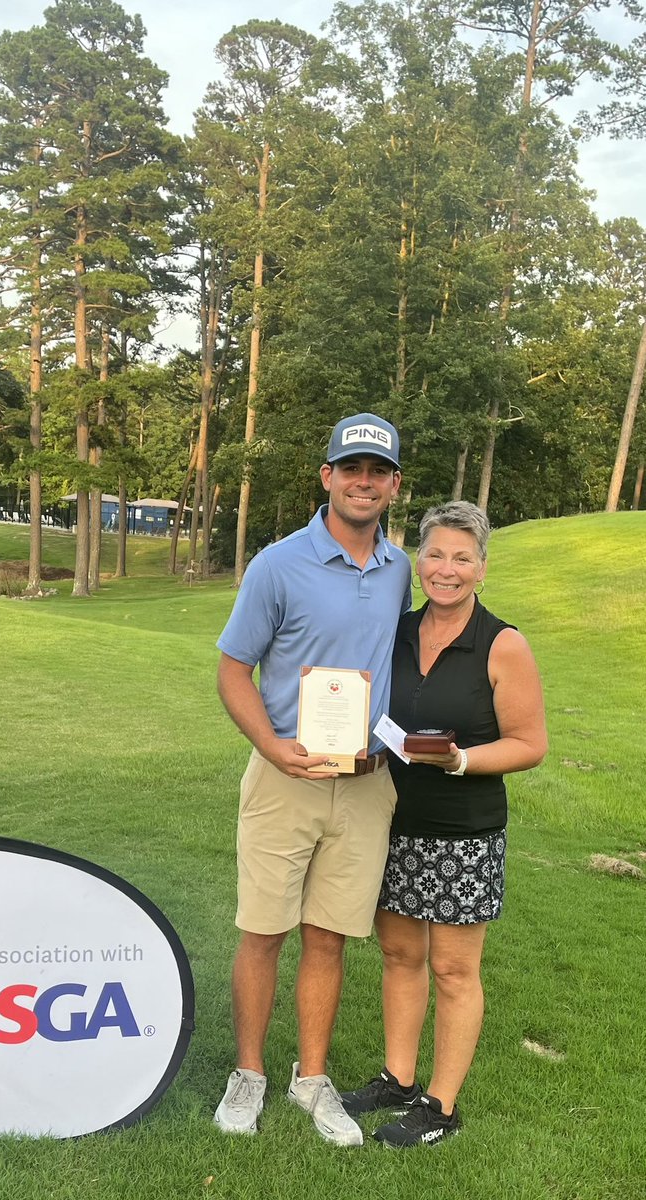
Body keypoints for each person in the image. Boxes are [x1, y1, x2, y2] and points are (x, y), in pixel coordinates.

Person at [213, 413, 411, 1144]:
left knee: (328, 937)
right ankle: (248, 1074)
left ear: (393, 484)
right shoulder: (277, 564)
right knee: (263, 931)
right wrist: (270, 746)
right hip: (284, 778)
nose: (364, 482)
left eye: (378, 471)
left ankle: (311, 1080)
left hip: (366, 782)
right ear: (327, 476)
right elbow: (233, 669)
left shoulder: (399, 569)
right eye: (351, 468)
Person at [340, 501, 548, 1148]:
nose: (446, 569)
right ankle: (398, 1080)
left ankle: (441, 1106)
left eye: (462, 557)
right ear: (417, 560)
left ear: (481, 567)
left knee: (454, 972)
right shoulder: (397, 632)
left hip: (464, 834)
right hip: (393, 821)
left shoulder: (502, 644)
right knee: (400, 956)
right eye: (434, 554)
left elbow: (530, 743)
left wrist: (461, 760)